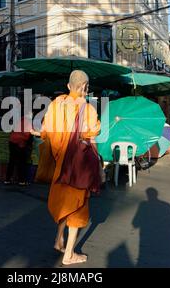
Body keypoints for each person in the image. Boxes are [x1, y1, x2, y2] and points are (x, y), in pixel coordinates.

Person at [31, 70, 101, 266]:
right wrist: (99, 167)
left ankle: (58, 239)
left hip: (60, 165)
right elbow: (92, 138)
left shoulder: (55, 104)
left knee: (64, 203)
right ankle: (69, 254)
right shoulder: (87, 109)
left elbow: (46, 132)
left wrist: (37, 133)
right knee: (77, 208)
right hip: (77, 166)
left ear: (69, 86)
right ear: (85, 87)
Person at [4, 112, 33, 186]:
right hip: (19, 143)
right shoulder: (28, 122)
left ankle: (7, 179)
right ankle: (21, 181)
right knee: (22, 162)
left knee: (12, 161)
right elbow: (27, 136)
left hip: (12, 141)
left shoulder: (20, 120)